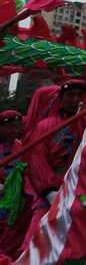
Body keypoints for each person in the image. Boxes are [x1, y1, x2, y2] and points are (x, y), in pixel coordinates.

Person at [23, 79, 86, 248]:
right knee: (38, 240)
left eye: (81, 95)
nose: (75, 99)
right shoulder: (45, 126)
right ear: (61, 97)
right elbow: (37, 160)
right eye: (70, 95)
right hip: (52, 187)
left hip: (82, 185)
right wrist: (49, 191)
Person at [0, 111, 30, 260]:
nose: (16, 131)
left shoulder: (21, 146)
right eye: (11, 127)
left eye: (18, 127)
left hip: (13, 200)